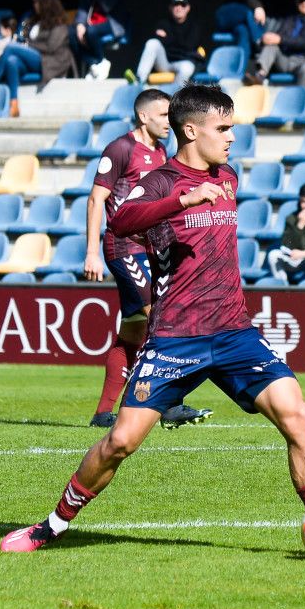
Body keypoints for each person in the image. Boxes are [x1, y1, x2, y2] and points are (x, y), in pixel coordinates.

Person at [1, 83, 305, 559]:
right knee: (120, 442)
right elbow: (121, 221)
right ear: (190, 129)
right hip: (175, 339)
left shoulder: (229, 176)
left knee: (298, 415)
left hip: (234, 332)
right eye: (222, 128)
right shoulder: (161, 182)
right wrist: (182, 201)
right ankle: (50, 528)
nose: (231, 136)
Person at [83, 88, 213, 429]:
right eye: (161, 115)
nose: (168, 122)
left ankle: (102, 414)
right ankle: (169, 404)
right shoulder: (121, 149)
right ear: (143, 116)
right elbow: (97, 199)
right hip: (123, 247)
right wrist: (91, 253)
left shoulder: (161, 152)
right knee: (162, 317)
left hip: (149, 250)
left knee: (133, 331)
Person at [0, 0, 76, 117]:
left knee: (10, 47)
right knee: (12, 61)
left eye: (37, 2)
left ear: (46, 4)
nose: (34, 5)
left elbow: (51, 47)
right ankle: (14, 103)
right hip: (34, 59)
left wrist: (27, 45)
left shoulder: (59, 24)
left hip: (48, 61)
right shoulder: (34, 21)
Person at [243, 0, 305, 87]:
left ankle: (299, 95)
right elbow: (280, 34)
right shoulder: (290, 19)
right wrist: (268, 39)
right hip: (287, 59)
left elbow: (304, 42)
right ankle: (259, 76)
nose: (304, 3)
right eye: (301, 0)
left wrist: (280, 39)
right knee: (272, 46)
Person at [126, 0, 205, 86]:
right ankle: (139, 81)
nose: (179, 8)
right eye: (175, 5)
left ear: (188, 8)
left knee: (187, 68)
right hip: (165, 63)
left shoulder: (194, 27)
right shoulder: (163, 24)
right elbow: (158, 44)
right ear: (170, 7)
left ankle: (177, 96)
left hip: (183, 63)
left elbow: (188, 46)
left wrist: (168, 38)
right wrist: (175, 42)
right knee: (153, 43)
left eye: (182, 5)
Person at [74, 0, 127, 80]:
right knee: (71, 33)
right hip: (90, 24)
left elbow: (107, 5)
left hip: (112, 23)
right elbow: (83, 8)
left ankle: (99, 61)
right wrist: (80, 24)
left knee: (91, 31)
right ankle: (96, 63)